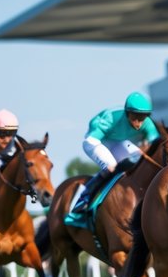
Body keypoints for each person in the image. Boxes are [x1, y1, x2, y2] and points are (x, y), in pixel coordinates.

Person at [67, 92, 161, 220]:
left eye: (142, 118)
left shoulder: (147, 122)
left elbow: (155, 144)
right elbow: (92, 139)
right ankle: (83, 199)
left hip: (118, 141)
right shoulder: (110, 118)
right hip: (96, 140)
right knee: (112, 167)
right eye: (135, 118)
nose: (139, 123)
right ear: (127, 113)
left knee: (140, 159)